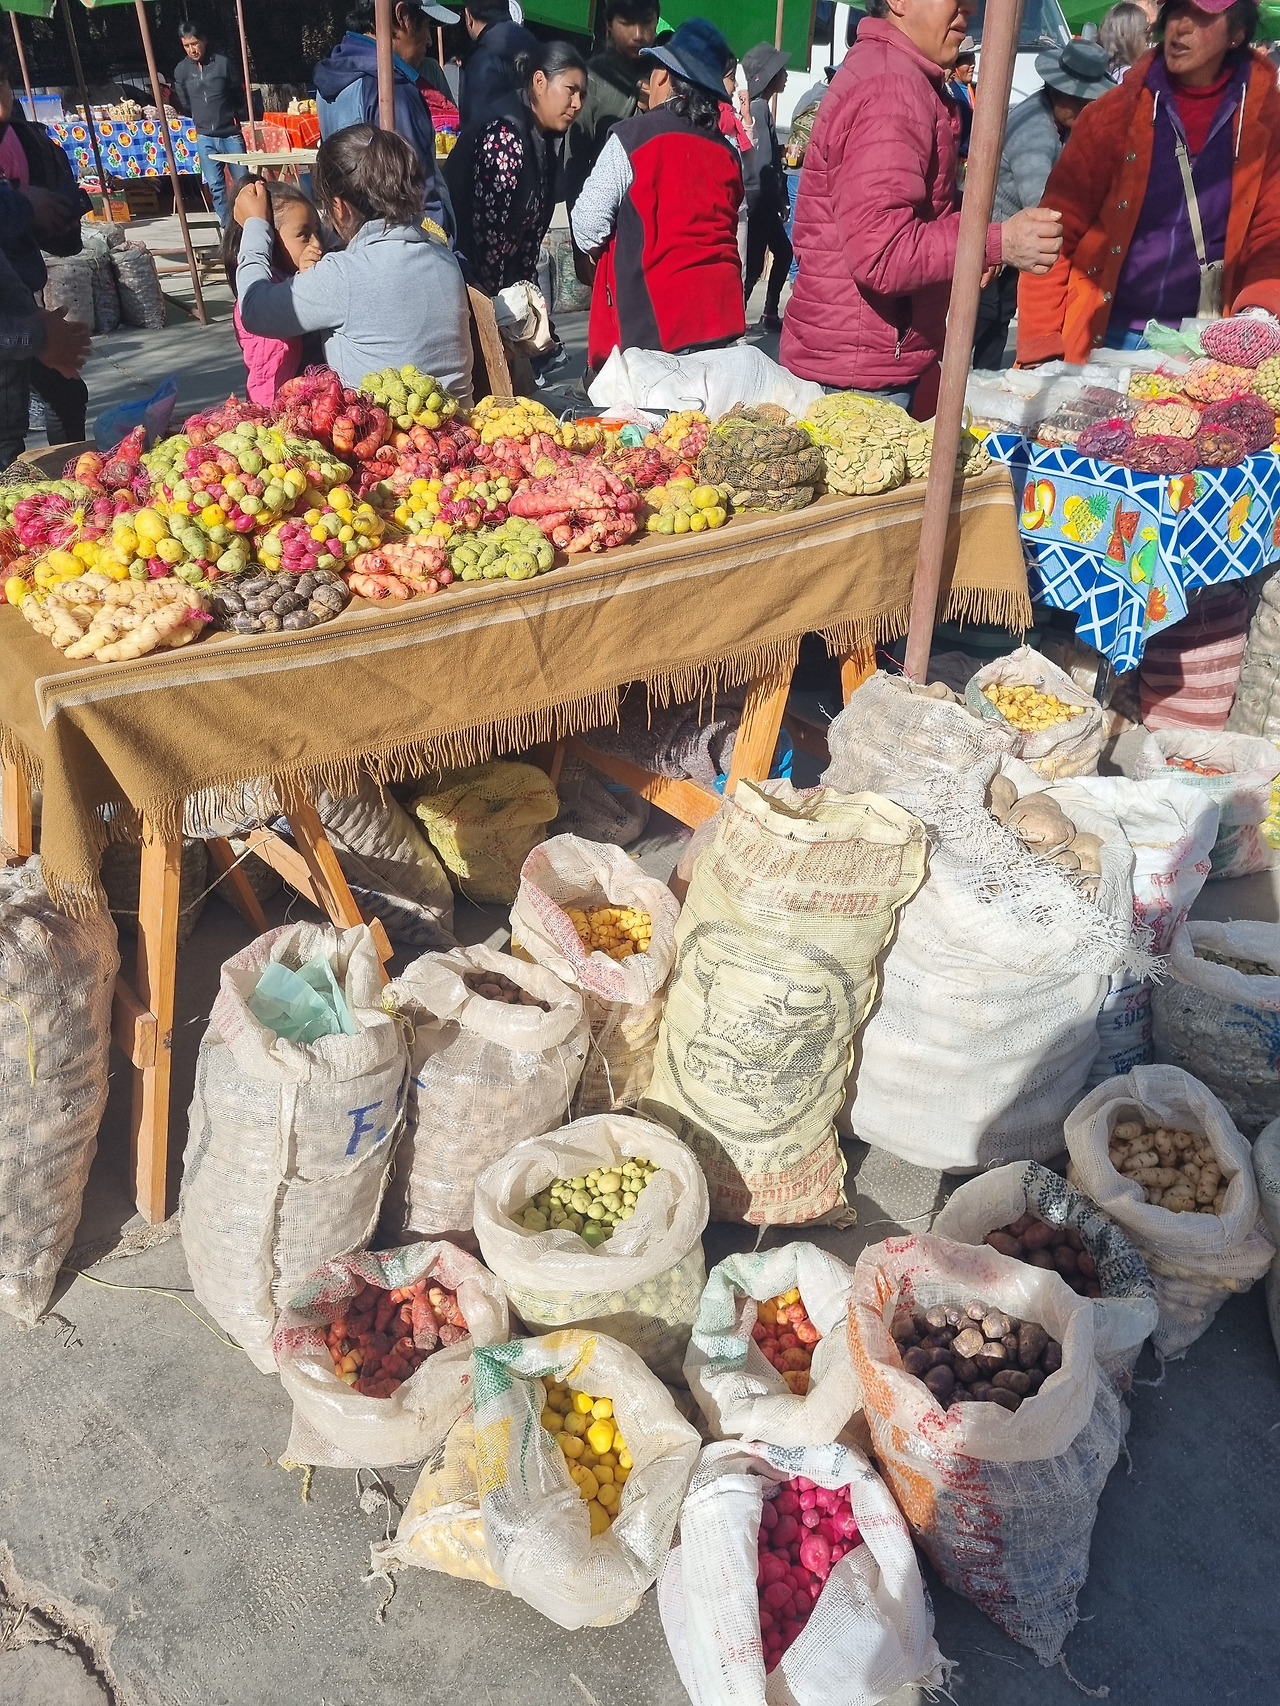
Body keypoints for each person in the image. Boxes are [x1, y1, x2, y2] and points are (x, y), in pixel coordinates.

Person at [780, 0, 1062, 412]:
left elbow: (916, 205)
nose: (969, 9)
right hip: (861, 376)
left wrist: (973, 236)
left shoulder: (899, 76)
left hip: (871, 359)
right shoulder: (890, 88)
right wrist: (995, 242)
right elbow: (884, 254)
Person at [1017, 0, 1280, 363]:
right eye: (1176, 11)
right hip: (1104, 335)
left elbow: (1271, 233)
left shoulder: (1268, 122)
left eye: (1201, 16)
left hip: (1206, 344)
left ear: (1237, 33)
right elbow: (1053, 232)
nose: (1181, 26)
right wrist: (1041, 344)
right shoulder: (1112, 115)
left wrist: (1260, 310)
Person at [234, 126, 473, 402]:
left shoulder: (343, 275)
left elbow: (252, 309)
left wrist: (255, 226)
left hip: (385, 428)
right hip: (461, 421)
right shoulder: (442, 256)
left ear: (339, 208)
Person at [570, 19, 746, 375]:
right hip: (722, 320)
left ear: (663, 77)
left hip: (656, 327)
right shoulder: (730, 153)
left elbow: (587, 225)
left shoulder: (631, 137)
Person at [973, 38, 1114, 367]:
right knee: (984, 316)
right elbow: (1043, 204)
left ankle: (985, 376)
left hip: (1012, 233)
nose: (1087, 110)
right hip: (996, 231)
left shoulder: (1057, 120)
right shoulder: (1034, 132)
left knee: (1000, 315)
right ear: (1061, 94)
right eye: (1081, 103)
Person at [446, 41, 587, 295]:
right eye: (571, 90)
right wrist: (500, 307)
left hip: (501, 285)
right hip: (471, 283)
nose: (577, 103)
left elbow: (528, 241)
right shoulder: (505, 135)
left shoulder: (543, 137)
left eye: (582, 95)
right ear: (540, 81)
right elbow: (487, 238)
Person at [314, 0, 456, 232]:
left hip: (353, 233)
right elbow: (418, 193)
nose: (429, 40)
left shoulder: (332, 79)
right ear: (402, 15)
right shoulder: (392, 91)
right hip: (402, 238)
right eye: (426, 25)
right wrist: (440, 241)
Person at [221, 180, 324, 405]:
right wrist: (303, 281)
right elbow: (284, 316)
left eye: (317, 231)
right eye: (304, 234)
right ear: (271, 240)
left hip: (313, 401)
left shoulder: (299, 272)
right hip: (273, 405)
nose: (317, 243)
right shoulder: (257, 294)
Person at [0, 220, 89, 470]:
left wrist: (34, 315)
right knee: (5, 434)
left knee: (67, 392)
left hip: (16, 318)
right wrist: (38, 338)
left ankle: (74, 474)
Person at [563, 0, 659, 210]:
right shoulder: (592, 79)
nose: (638, 35)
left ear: (656, 22)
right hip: (608, 212)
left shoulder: (667, 77)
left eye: (646, 22)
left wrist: (658, 106)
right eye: (627, 23)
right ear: (609, 25)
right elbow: (575, 165)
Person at [172, 22, 248, 230]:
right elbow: (185, 101)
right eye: (186, 46)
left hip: (230, 134)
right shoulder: (181, 70)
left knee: (244, 183)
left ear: (204, 41)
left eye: (195, 44)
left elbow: (237, 93)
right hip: (204, 136)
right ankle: (228, 227)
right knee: (216, 186)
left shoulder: (223, 63)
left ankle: (249, 223)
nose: (192, 50)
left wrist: (232, 115)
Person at [741, 42, 793, 332]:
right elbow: (761, 164)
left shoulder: (759, 108)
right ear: (770, 77)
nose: (786, 76)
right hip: (759, 198)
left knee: (782, 252)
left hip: (762, 198)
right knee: (753, 265)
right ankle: (736, 320)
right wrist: (779, 201)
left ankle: (769, 313)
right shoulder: (760, 109)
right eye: (781, 71)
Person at [459, 0, 538, 124]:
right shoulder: (532, 41)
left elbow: (476, 123)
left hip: (501, 133)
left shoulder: (481, 57)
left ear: (468, 16)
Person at [1098, 1, 1152, 75]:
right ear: (1131, 36)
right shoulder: (1129, 76)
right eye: (1146, 33)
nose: (1147, 43)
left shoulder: (1095, 68)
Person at [944, 33, 976, 158]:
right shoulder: (949, 92)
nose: (972, 65)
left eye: (973, 60)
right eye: (967, 61)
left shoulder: (976, 90)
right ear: (955, 64)